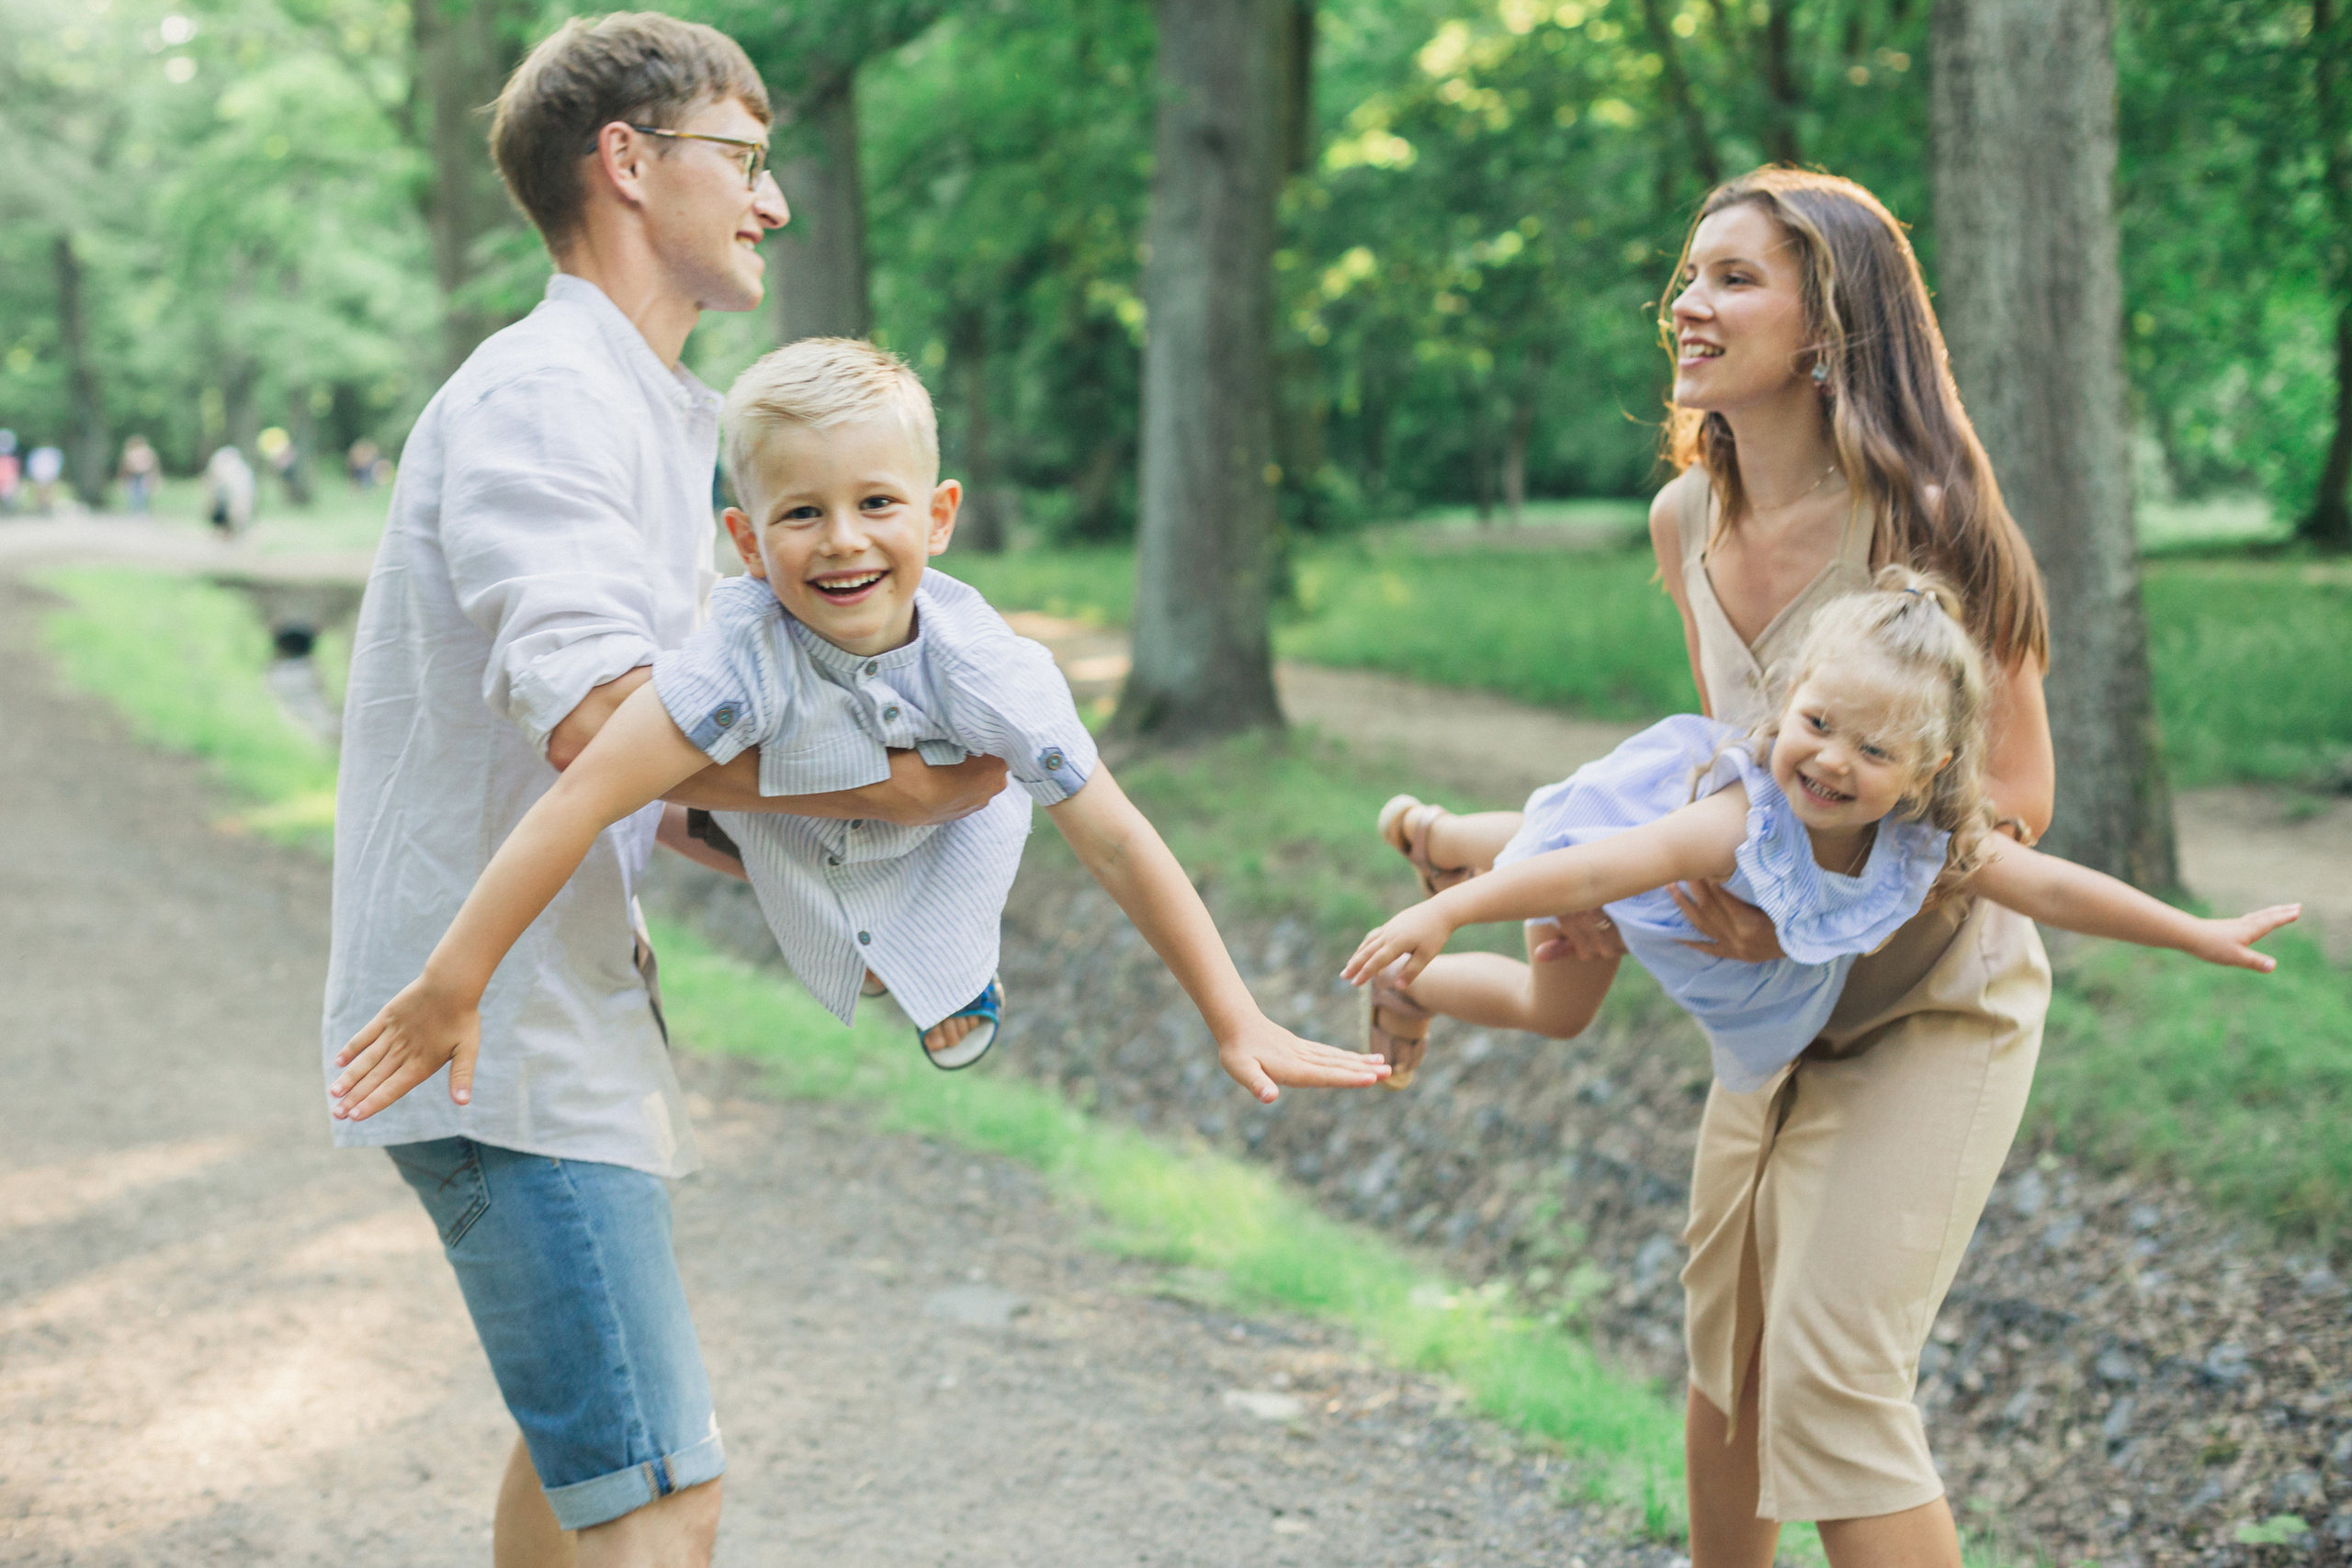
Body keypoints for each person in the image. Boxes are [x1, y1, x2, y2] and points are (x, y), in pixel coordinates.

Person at [319, 16, 996, 1565]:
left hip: (560, 1018)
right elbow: (600, 721)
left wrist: (872, 884)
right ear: (628, 161)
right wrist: (892, 790)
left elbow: (665, 777)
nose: (773, 201)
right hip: (506, 1035)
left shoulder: (636, 407)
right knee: (659, 1494)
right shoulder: (547, 399)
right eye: (744, 160)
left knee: (588, 1457)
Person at [1380, 168, 2075, 1568]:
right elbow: (1736, 771)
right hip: (1778, 1014)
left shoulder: (1926, 513)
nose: (1688, 304)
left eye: (1735, 278)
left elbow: (2018, 797)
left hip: (1933, 996)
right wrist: (1625, 896)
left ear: (1829, 327)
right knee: (1732, 1366)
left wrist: (1809, 907)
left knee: (1835, 1378)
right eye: (1689, 276)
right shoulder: (1684, 519)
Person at [329, 336, 1383, 1114]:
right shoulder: (738, 652)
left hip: (953, 816)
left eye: (877, 504)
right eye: (801, 513)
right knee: (698, 790)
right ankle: (763, 846)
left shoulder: (987, 672)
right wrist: (453, 980)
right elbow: (581, 797)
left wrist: (1234, 1014)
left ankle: (956, 976)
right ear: (748, 542)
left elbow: (1114, 838)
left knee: (936, 900)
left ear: (939, 516)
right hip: (790, 799)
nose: (842, 541)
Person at [1347, 571, 2294, 1090]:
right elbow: (1597, 869)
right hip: (1625, 884)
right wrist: (1447, 916)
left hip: (1653, 887)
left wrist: (2192, 931)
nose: (1833, 761)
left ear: (1927, 772)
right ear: (1789, 699)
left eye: (1873, 750)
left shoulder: (1924, 841)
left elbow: (2050, 886)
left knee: (1565, 843)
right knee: (1555, 972)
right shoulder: (1740, 819)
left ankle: (1442, 845)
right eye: (1817, 724)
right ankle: (1422, 936)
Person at [202, 445, 255, 536]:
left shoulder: (240, 473)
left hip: (234, 504)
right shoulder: (240, 471)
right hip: (226, 505)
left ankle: (230, 530)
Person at [119, 434, 160, 514]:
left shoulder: (134, 452)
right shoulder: (146, 451)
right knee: (137, 493)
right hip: (135, 475)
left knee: (140, 493)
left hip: (141, 474)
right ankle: (138, 511)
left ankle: (139, 511)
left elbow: (125, 465)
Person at [26, 444, 63, 514]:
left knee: (47, 492)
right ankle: (41, 508)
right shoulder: (45, 453)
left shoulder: (50, 453)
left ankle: (46, 508)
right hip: (42, 475)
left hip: (46, 475)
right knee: (41, 492)